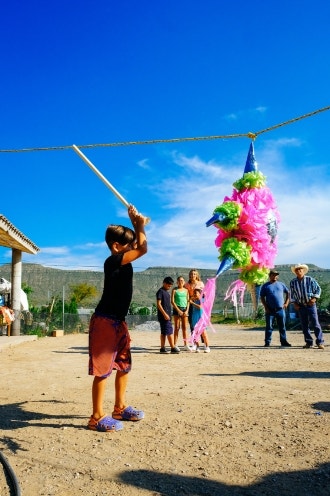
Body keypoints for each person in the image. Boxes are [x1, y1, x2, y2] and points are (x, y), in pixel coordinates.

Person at [88, 204, 148, 432]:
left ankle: (119, 408)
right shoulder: (112, 261)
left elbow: (139, 245)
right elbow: (143, 249)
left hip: (118, 321)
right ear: (116, 246)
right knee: (102, 371)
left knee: (123, 366)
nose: (133, 247)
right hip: (104, 321)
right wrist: (140, 225)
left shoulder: (123, 259)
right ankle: (96, 417)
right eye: (128, 244)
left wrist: (134, 223)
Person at [289, 264, 325, 350]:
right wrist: (295, 304)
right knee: (304, 325)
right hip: (301, 306)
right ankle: (309, 342)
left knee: (315, 323)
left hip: (311, 305)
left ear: (303, 270)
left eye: (300, 269)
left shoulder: (310, 279)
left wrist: (314, 298)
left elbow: (318, 289)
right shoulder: (293, 282)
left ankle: (320, 342)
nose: (299, 271)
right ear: (295, 272)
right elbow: (292, 294)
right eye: (297, 270)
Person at [260, 269, 291, 347]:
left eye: (276, 275)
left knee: (282, 326)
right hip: (270, 310)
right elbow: (262, 297)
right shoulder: (265, 286)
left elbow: (288, 293)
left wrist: (286, 303)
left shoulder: (281, 284)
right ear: (269, 276)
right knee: (269, 326)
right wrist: (266, 307)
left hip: (280, 309)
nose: (275, 276)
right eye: (273, 275)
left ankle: (284, 342)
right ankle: (267, 342)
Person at [156, 277, 180, 354]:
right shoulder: (160, 292)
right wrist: (165, 314)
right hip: (164, 316)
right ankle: (172, 347)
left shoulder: (167, 292)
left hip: (167, 315)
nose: (169, 287)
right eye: (168, 285)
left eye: (170, 286)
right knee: (169, 331)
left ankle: (162, 348)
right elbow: (159, 304)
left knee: (163, 332)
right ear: (164, 283)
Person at [171, 276, 190, 350]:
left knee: (184, 327)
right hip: (177, 309)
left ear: (184, 282)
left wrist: (187, 310)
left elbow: (188, 301)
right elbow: (172, 301)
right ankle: (175, 344)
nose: (180, 282)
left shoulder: (186, 290)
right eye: (179, 280)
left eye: (182, 280)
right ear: (177, 282)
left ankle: (186, 344)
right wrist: (178, 310)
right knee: (177, 327)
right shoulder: (174, 290)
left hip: (185, 309)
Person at [189, 287, 210, 352]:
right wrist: (192, 300)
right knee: (195, 333)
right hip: (194, 317)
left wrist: (192, 303)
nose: (194, 294)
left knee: (203, 333)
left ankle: (207, 347)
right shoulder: (194, 300)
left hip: (201, 318)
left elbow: (200, 307)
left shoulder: (202, 299)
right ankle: (197, 347)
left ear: (200, 294)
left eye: (196, 293)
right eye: (194, 293)